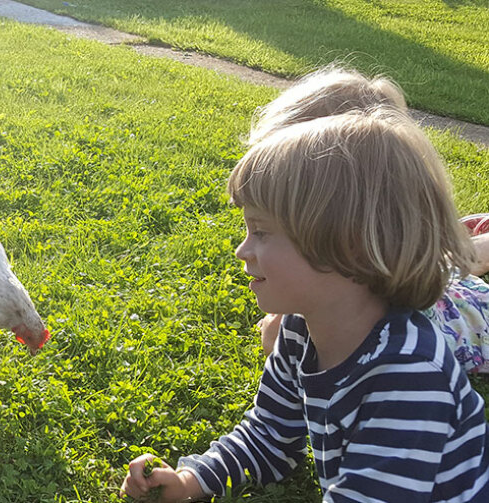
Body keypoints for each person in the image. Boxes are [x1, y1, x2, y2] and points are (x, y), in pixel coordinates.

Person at [122, 108, 489, 502]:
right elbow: (268, 435)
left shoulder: (411, 376)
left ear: (347, 247)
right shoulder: (301, 329)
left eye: (261, 232)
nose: (242, 250)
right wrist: (190, 482)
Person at [245, 65, 489, 371]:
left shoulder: (406, 352)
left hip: (459, 300)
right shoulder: (338, 270)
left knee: (457, 263)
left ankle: (469, 243)